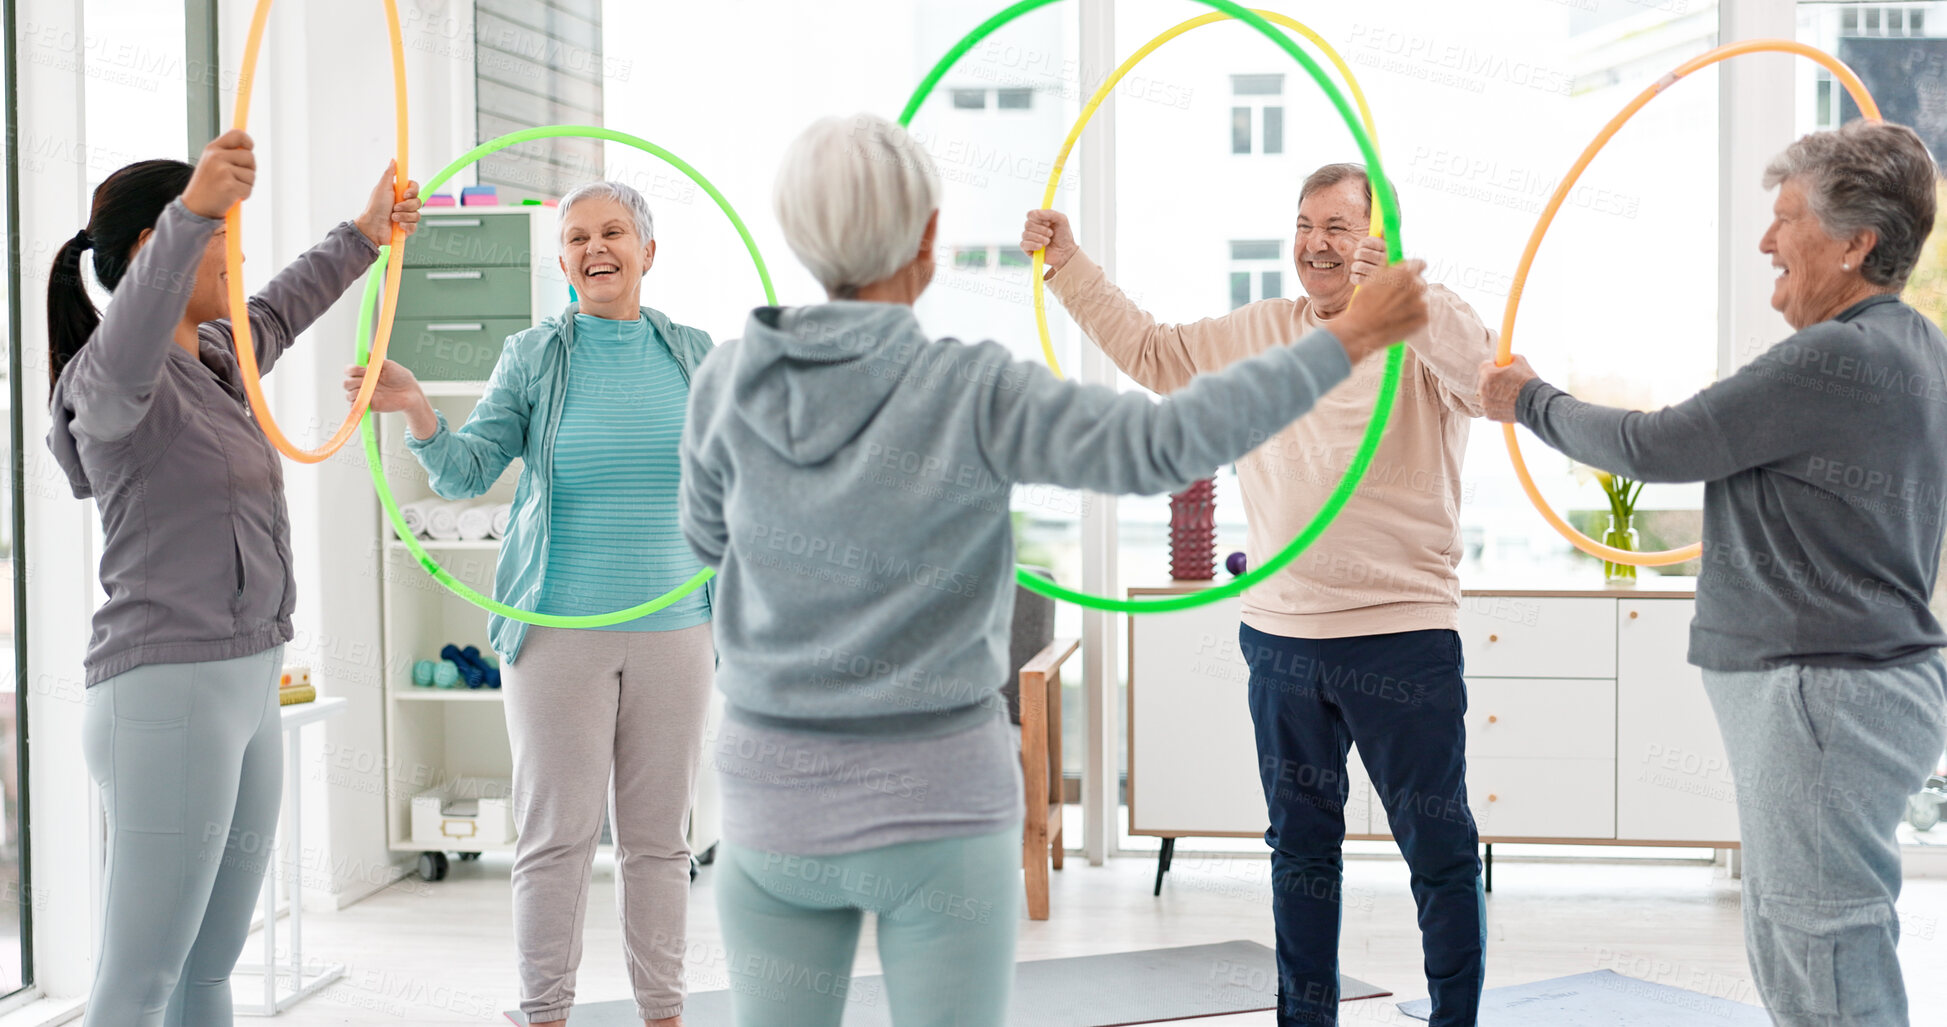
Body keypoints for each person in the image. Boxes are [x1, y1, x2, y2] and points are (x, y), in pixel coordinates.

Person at [681, 113, 1437, 1027]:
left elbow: (706, 545)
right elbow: (1162, 444)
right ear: (927, 238)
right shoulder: (971, 387)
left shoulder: (724, 381)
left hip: (774, 796)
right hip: (938, 804)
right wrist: (1346, 339)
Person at [1479, 119, 1947, 1027]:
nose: (1767, 241)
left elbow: (1657, 443)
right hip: (1857, 685)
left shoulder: (1833, 357)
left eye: (1787, 220)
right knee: (1803, 931)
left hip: (1823, 690)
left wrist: (1527, 400)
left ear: (1856, 243)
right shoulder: (1915, 347)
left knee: (1821, 940)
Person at [1023, 164, 1494, 1025]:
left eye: (1338, 227)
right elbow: (1156, 353)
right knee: (1300, 852)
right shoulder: (1266, 331)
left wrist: (1402, 293)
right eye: (1305, 225)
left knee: (1439, 846)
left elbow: (1489, 380)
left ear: (1377, 238)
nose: (1316, 244)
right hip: (1281, 638)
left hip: (1402, 634)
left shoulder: (1420, 328)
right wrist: (1068, 264)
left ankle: (1456, 1016)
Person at [46, 131, 421, 1027]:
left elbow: (283, 307)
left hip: (251, 682)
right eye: (225, 233)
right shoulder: (110, 380)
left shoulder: (217, 352)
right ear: (158, 250)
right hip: (166, 693)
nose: (237, 249)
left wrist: (365, 234)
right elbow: (132, 338)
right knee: (139, 983)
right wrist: (192, 215)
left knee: (208, 974)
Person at [348, 180, 714, 1027]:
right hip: (558, 632)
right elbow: (470, 471)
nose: (597, 248)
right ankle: (541, 1015)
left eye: (614, 232)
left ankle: (664, 1014)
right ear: (561, 263)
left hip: (677, 628)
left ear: (647, 252)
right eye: (578, 237)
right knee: (556, 840)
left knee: (660, 844)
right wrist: (414, 408)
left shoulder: (696, 353)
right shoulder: (532, 354)